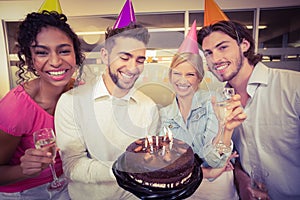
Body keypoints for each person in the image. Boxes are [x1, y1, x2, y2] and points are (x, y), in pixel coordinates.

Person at [55, 22, 159, 199]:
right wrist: (121, 168)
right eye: (124, 58)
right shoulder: (70, 102)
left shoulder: (148, 107)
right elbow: (72, 165)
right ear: (105, 56)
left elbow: (148, 161)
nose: (133, 68)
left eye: (139, 60)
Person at [198, 20, 300, 200]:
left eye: (222, 47)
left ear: (244, 45)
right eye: (208, 53)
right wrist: (242, 180)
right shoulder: (220, 101)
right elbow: (232, 156)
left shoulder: (293, 86)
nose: (215, 59)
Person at [0, 10, 84, 200]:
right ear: (30, 61)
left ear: (75, 55)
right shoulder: (14, 108)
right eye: (41, 53)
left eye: (64, 51)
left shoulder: (79, 92)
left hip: (66, 183)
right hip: (23, 193)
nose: (55, 62)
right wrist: (23, 170)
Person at [159, 50, 246, 200]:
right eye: (177, 73)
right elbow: (167, 162)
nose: (182, 80)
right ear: (170, 76)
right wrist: (208, 171)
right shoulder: (164, 114)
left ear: (199, 77)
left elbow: (214, 159)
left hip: (216, 187)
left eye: (190, 74)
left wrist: (223, 129)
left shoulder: (214, 103)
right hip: (181, 186)